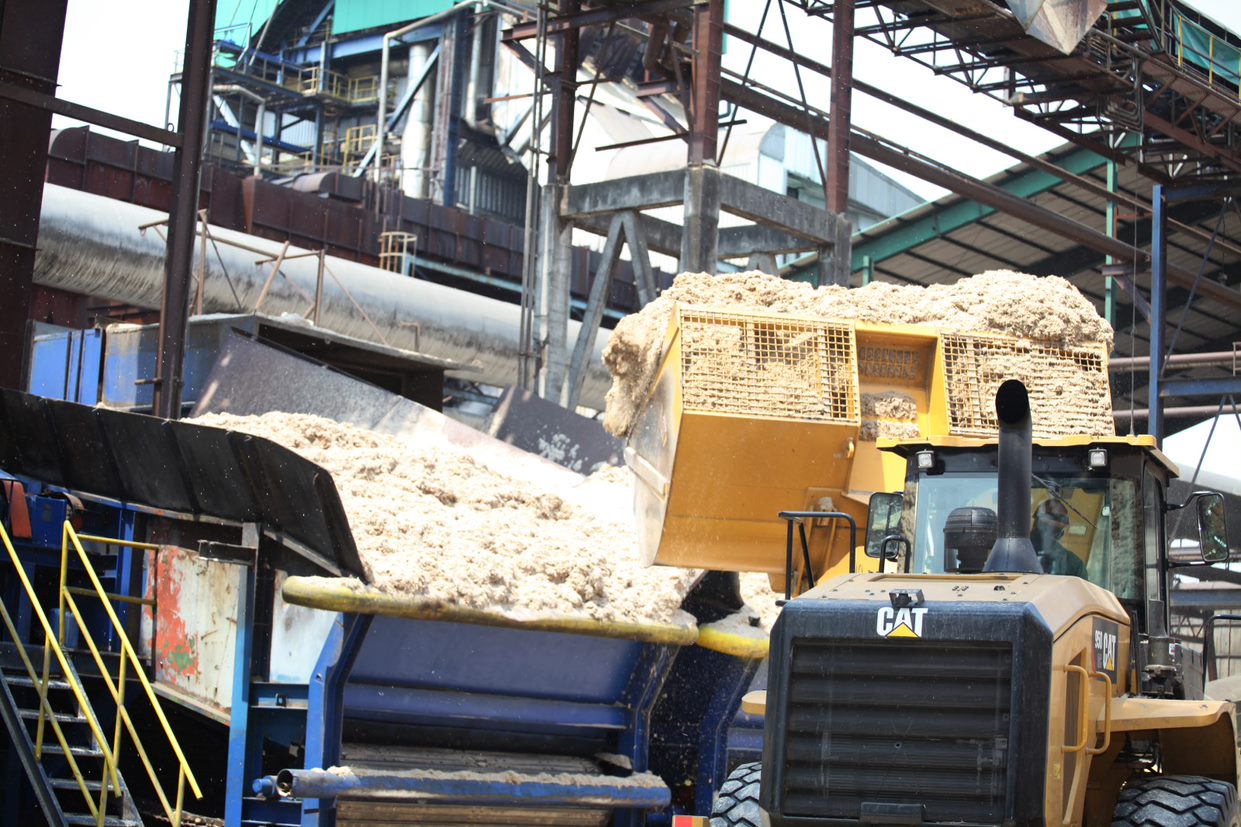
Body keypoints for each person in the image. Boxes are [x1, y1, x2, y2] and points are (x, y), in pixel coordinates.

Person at [1031, 498, 1087, 578]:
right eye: (1041, 525)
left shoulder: (1072, 564)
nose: (1046, 533)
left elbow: (1082, 589)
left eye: (1052, 528)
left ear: (1060, 533)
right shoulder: (1013, 553)